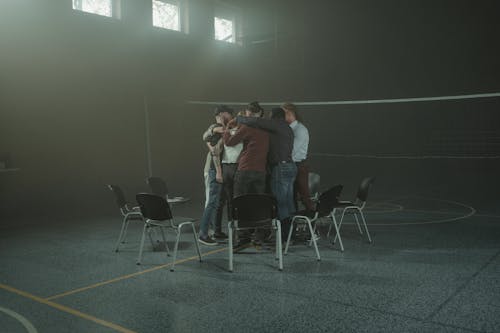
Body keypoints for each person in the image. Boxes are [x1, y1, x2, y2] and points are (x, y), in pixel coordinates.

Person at [236, 107, 297, 234]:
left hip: (280, 167)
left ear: (274, 117)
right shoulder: (287, 128)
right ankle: (291, 234)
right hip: (290, 167)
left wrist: (238, 118)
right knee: (288, 202)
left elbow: (257, 122)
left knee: (280, 203)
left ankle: (284, 237)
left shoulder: (277, 124)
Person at [198, 106, 232, 245]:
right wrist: (218, 171)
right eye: (229, 114)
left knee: (216, 202)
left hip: (214, 169)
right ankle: (203, 234)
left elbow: (205, 137)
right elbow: (215, 152)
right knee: (211, 203)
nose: (231, 117)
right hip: (213, 170)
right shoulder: (218, 128)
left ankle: (215, 232)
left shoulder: (216, 128)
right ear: (223, 114)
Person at [223, 102, 269, 197]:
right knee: (258, 201)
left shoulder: (247, 127)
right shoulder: (267, 127)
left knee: (240, 200)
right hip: (261, 170)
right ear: (260, 112)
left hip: (246, 169)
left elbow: (229, 142)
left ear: (248, 112)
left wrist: (227, 128)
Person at [282, 102, 315, 212]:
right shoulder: (288, 128)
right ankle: (293, 223)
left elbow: (292, 151)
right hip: (291, 165)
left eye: (283, 114)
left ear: (290, 114)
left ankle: (313, 221)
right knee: (291, 196)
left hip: (299, 166)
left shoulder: (300, 130)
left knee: (304, 195)